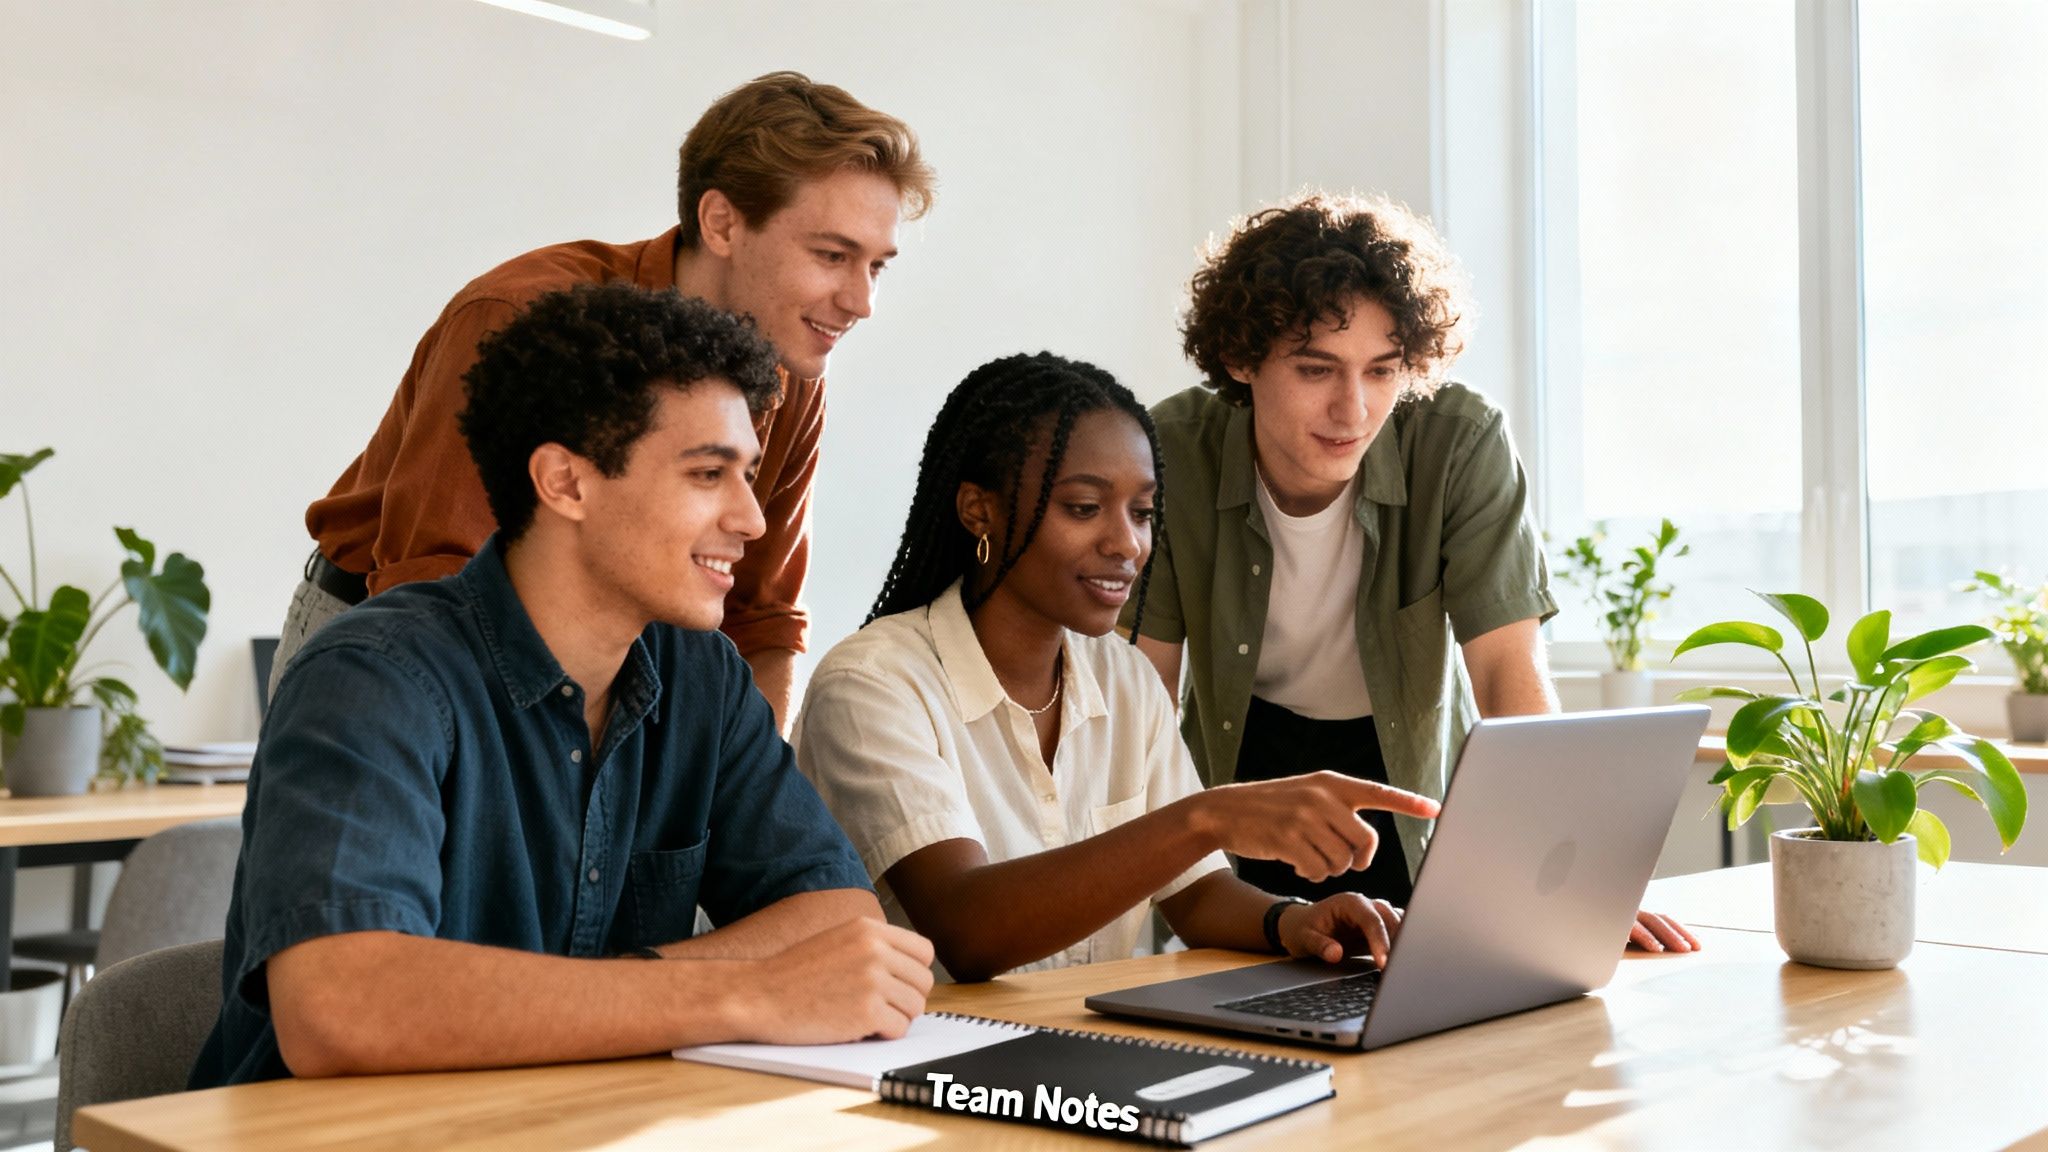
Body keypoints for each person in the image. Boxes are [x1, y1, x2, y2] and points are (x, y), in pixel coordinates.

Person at [191, 284, 933, 1088]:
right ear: (566, 483)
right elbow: (341, 1006)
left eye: (748, 474)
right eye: (709, 473)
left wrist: (596, 1001)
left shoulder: (701, 676)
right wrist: (746, 989)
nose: (752, 519)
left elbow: (839, 917)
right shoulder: (371, 678)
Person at [1123, 191, 1697, 953]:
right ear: (1241, 357)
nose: (1353, 409)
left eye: (1382, 370)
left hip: (1407, 775)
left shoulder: (1458, 440)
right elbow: (1144, 692)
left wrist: (1577, 881)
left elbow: (1506, 673)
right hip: (1243, 776)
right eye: (1315, 368)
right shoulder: (1170, 449)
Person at [273, 71, 936, 729]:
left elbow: (761, 622)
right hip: (399, 649)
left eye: (877, 265)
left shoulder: (791, 374)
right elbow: (434, 590)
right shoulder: (523, 317)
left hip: (618, 668)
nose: (862, 303)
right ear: (723, 223)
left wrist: (747, 796)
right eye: (831, 255)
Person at [792, 352, 1443, 983]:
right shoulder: (872, 686)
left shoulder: (1122, 680)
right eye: (1083, 507)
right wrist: (1207, 817)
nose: (1126, 543)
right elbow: (967, 930)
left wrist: (1293, 923)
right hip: (919, 1064)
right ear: (978, 510)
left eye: (1143, 512)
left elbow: (1194, 893)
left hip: (1083, 1049)